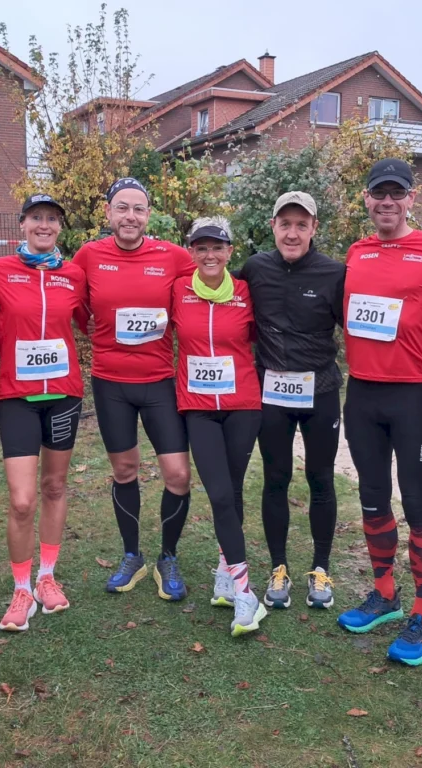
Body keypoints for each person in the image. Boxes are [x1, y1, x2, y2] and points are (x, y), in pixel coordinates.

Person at [336, 159, 422, 666]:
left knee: (417, 502)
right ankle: (385, 595)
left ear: (412, 199)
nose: (386, 202)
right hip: (363, 393)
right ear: (366, 199)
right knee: (371, 497)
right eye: (377, 194)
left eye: (397, 194)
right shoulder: (357, 250)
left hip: (414, 395)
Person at [72, 178, 195, 601]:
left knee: (178, 474)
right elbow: (76, 308)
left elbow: (206, 291)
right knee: (125, 471)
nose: (130, 217)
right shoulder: (89, 255)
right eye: (122, 208)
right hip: (111, 383)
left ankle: (169, 556)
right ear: (108, 213)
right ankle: (132, 555)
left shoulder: (174, 257)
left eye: (138, 209)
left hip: (160, 380)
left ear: (148, 215)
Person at [0, 194, 88, 631]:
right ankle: (20, 587)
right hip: (18, 397)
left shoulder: (74, 274)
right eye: (36, 218)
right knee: (22, 500)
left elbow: (90, 321)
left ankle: (47, 577)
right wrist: (7, 349)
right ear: (22, 224)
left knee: (55, 485)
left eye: (52, 219)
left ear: (60, 227)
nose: (44, 225)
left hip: (64, 394)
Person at [239, 192, 346, 611]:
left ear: (314, 229)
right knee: (276, 478)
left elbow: (353, 328)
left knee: (321, 478)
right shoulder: (255, 268)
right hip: (272, 394)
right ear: (273, 226)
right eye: (286, 224)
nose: (293, 232)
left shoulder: (334, 273)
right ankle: (278, 568)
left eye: (302, 225)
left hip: (320, 391)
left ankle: (321, 569)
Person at [173, 216, 265, 636]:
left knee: (231, 490)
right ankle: (246, 593)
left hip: (244, 405)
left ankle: (226, 572)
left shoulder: (247, 292)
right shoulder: (178, 290)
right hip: (198, 408)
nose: (209, 255)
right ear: (192, 252)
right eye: (201, 247)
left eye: (217, 247)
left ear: (230, 252)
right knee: (220, 494)